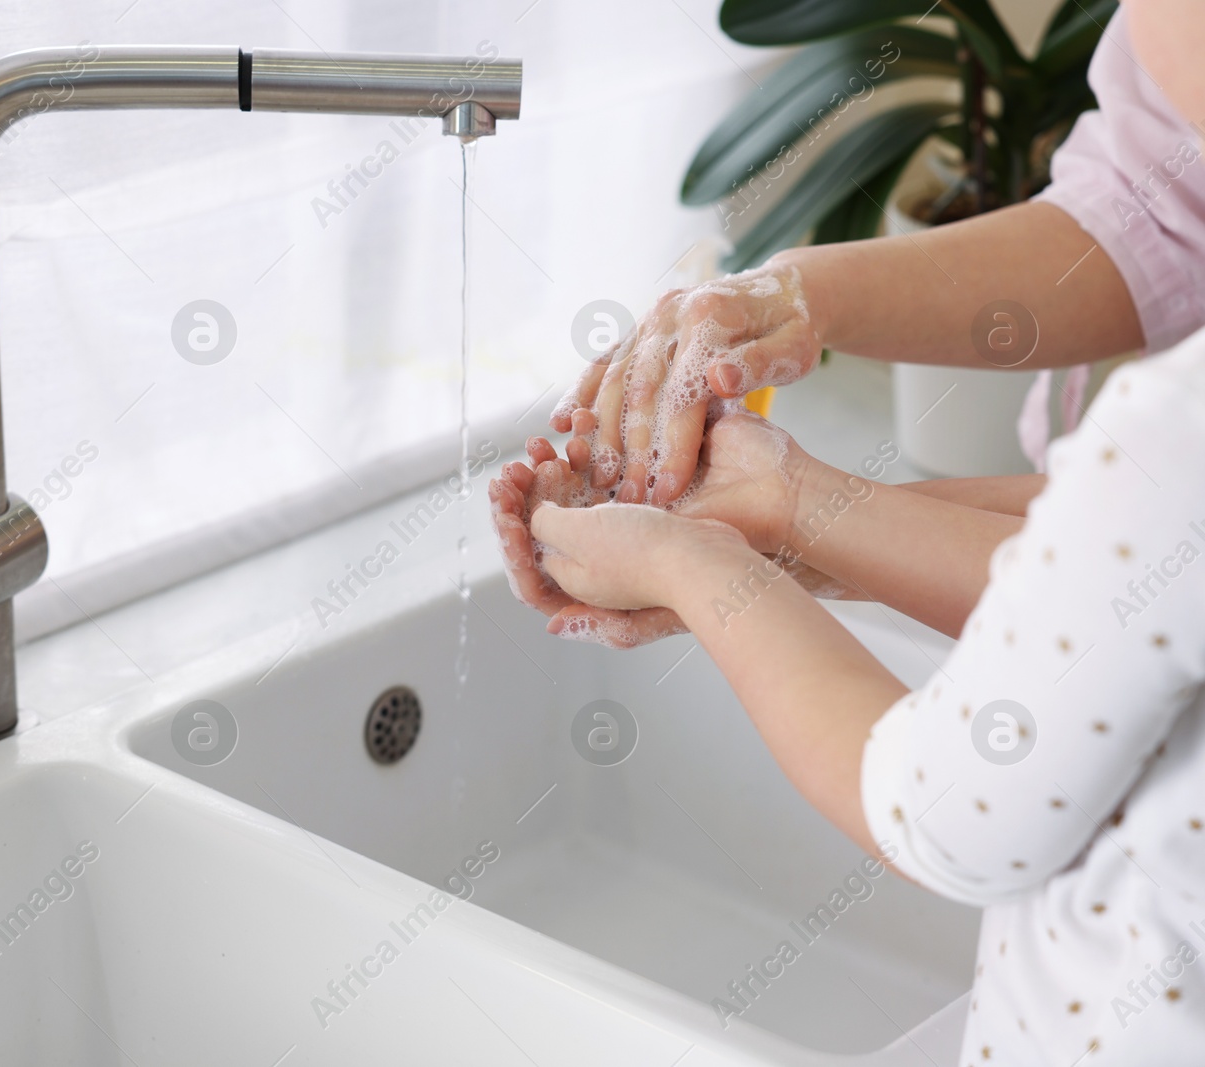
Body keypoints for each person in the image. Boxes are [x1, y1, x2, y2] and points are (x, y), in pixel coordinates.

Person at [490, 2, 1205, 1062]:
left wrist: (698, 565)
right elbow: (1125, 569)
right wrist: (795, 501)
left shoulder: (1175, 427)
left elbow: (944, 808)